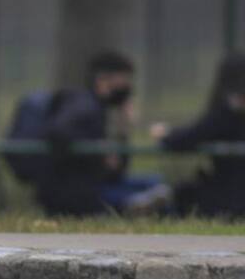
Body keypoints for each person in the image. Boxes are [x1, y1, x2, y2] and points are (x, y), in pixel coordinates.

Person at [38, 52, 171, 216]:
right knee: (156, 192)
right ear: (103, 80)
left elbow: (116, 171)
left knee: (155, 183)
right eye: (124, 80)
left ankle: (134, 204)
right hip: (78, 190)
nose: (128, 87)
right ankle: (129, 205)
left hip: (96, 182)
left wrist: (123, 130)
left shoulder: (98, 109)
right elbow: (57, 132)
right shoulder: (84, 105)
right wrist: (97, 150)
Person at [152, 53, 245, 217]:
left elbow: (187, 138)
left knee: (184, 195)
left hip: (229, 197)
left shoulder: (226, 114)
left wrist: (165, 134)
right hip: (229, 190)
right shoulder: (227, 113)